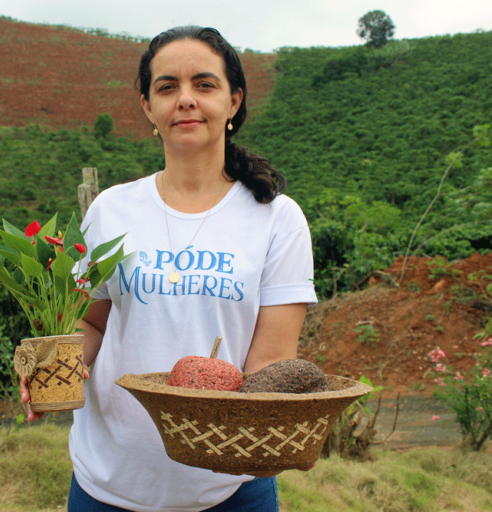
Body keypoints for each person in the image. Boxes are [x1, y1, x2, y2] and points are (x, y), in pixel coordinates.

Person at [21, 26, 318, 512]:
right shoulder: (112, 210)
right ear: (147, 107)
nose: (185, 100)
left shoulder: (277, 218)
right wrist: (53, 366)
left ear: (234, 100)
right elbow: (91, 319)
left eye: (204, 85)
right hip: (108, 484)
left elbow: (269, 366)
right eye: (167, 87)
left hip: (228, 488)